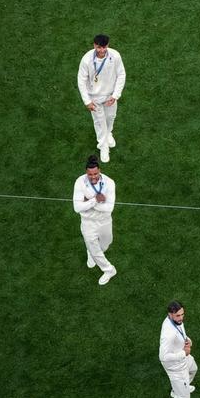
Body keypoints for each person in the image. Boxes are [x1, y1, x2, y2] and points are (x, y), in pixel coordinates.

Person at [76, 34, 127, 163]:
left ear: (108, 45)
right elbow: (81, 81)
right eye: (99, 47)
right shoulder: (86, 60)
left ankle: (109, 133)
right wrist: (87, 101)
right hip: (95, 98)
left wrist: (116, 95)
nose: (102, 50)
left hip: (110, 96)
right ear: (94, 45)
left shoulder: (115, 56)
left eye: (104, 47)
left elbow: (121, 75)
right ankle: (103, 146)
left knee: (111, 117)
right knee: (100, 122)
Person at [157, 300, 198, 398]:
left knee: (193, 369)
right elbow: (163, 357)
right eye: (178, 316)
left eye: (182, 314)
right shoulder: (168, 334)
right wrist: (183, 353)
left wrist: (186, 339)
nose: (181, 318)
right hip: (176, 367)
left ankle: (177, 390)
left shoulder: (176, 321)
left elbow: (180, 331)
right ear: (170, 314)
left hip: (183, 358)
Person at [72, 155, 117, 285]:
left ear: (100, 171)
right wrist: (95, 200)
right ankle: (109, 269)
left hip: (104, 221)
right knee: (94, 248)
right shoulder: (80, 182)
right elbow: (77, 207)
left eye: (95, 173)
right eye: (90, 174)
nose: (93, 177)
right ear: (86, 172)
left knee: (106, 244)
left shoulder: (109, 183)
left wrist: (88, 202)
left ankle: (92, 252)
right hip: (88, 223)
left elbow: (109, 208)